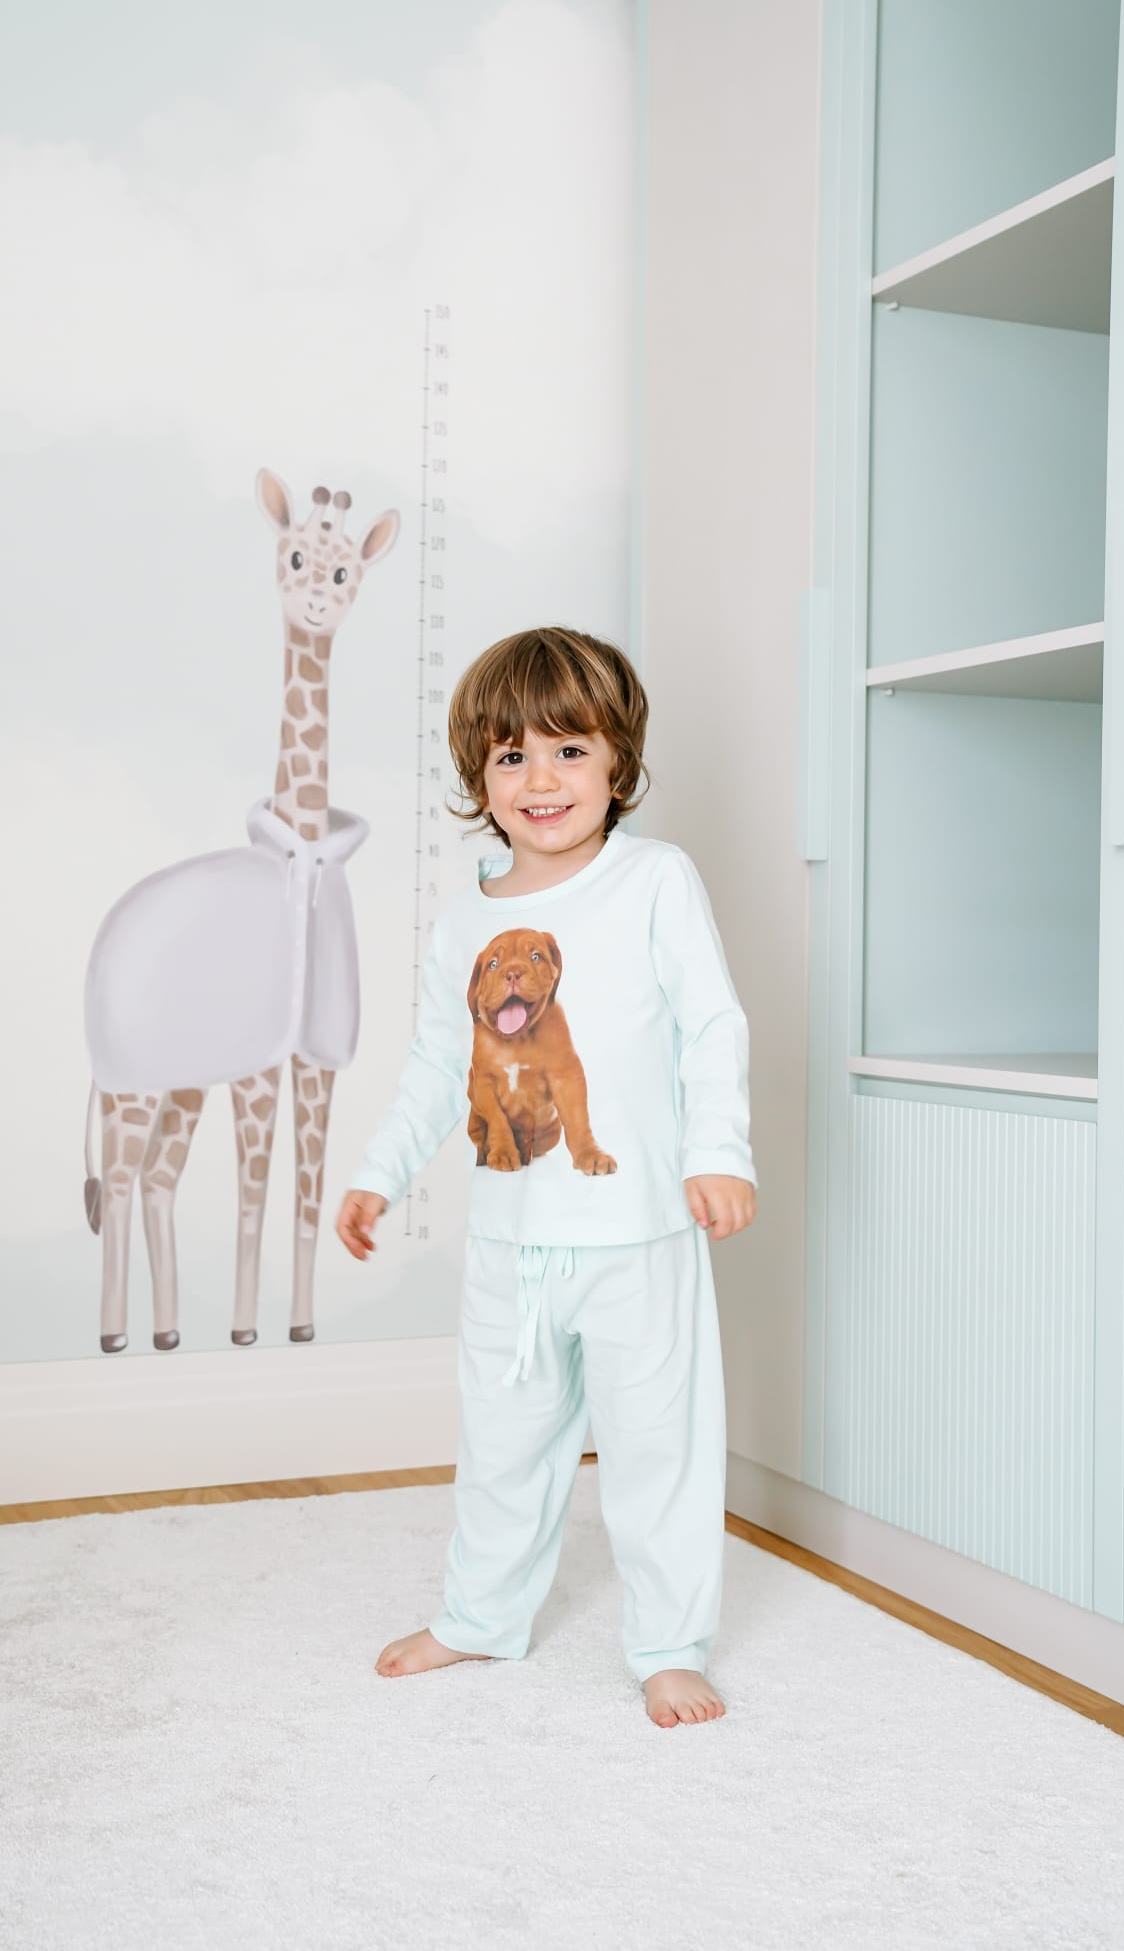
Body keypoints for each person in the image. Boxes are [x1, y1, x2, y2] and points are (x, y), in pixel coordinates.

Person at [334, 627, 757, 1729]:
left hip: (639, 1235)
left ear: (618, 760)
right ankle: (480, 1615)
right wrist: (379, 1172)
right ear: (478, 775)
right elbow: (440, 1064)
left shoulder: (653, 879)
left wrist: (718, 1153)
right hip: (512, 1246)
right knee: (503, 1444)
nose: (541, 779)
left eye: (569, 749)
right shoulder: (466, 914)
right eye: (511, 755)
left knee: (656, 1450)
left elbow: (711, 1024)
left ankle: (668, 1645)